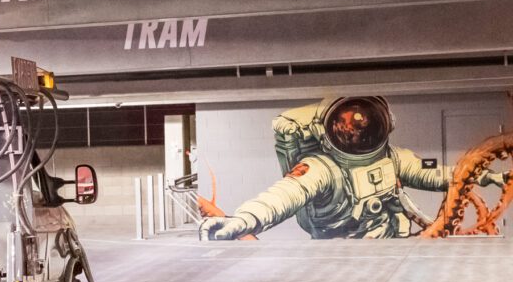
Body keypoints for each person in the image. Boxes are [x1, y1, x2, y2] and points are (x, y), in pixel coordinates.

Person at [200, 96, 506, 240]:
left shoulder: (393, 157)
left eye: (361, 125)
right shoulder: (321, 168)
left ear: (384, 124)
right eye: (344, 126)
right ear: (328, 131)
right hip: (340, 258)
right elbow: (284, 195)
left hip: (392, 248)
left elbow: (433, 173)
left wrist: (489, 176)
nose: (354, 131)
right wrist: (244, 220)